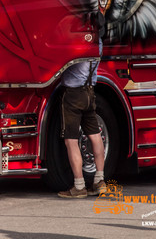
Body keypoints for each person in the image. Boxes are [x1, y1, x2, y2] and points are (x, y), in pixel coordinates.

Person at [57, 41, 106, 199]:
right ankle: (99, 180)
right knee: (95, 134)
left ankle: (79, 185)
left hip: (73, 93)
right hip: (90, 91)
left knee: (71, 140)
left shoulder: (77, 41)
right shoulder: (98, 42)